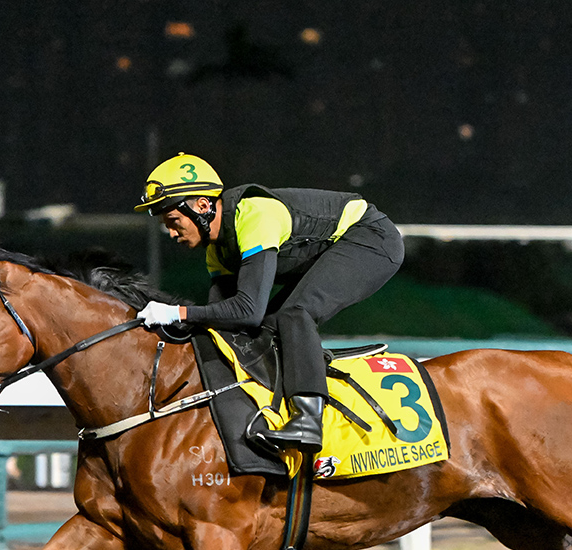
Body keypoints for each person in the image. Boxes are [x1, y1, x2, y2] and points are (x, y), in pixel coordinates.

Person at [134, 153, 404, 453]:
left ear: (202, 205)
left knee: (294, 314)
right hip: (332, 247)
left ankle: (309, 421)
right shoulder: (217, 251)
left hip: (371, 238)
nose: (171, 233)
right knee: (269, 327)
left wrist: (176, 313)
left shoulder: (254, 215)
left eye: (173, 221)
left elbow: (247, 311)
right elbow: (226, 324)